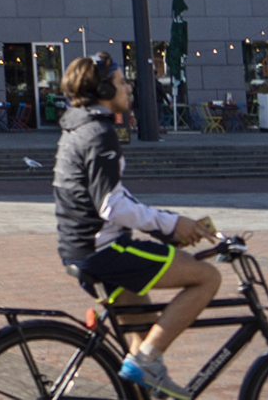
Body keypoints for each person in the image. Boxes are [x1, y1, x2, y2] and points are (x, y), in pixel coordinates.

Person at [54, 54, 220, 400]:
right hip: (102, 251)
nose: (128, 87)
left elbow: (112, 194)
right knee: (207, 277)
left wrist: (167, 227)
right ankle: (145, 363)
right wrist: (171, 223)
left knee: (141, 328)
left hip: (80, 248)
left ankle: (144, 374)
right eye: (121, 82)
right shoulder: (99, 133)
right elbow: (111, 206)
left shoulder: (78, 128)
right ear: (101, 89)